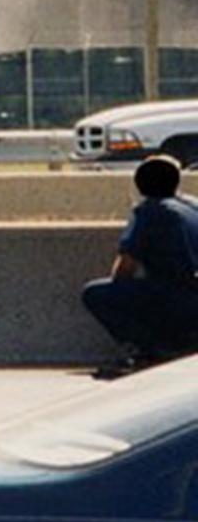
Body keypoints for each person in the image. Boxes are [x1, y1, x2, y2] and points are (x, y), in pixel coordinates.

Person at [82, 153, 198, 373]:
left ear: (139, 184)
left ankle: (150, 353)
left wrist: (119, 290)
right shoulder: (193, 205)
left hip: (183, 299)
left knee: (95, 294)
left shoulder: (149, 211)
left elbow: (125, 268)